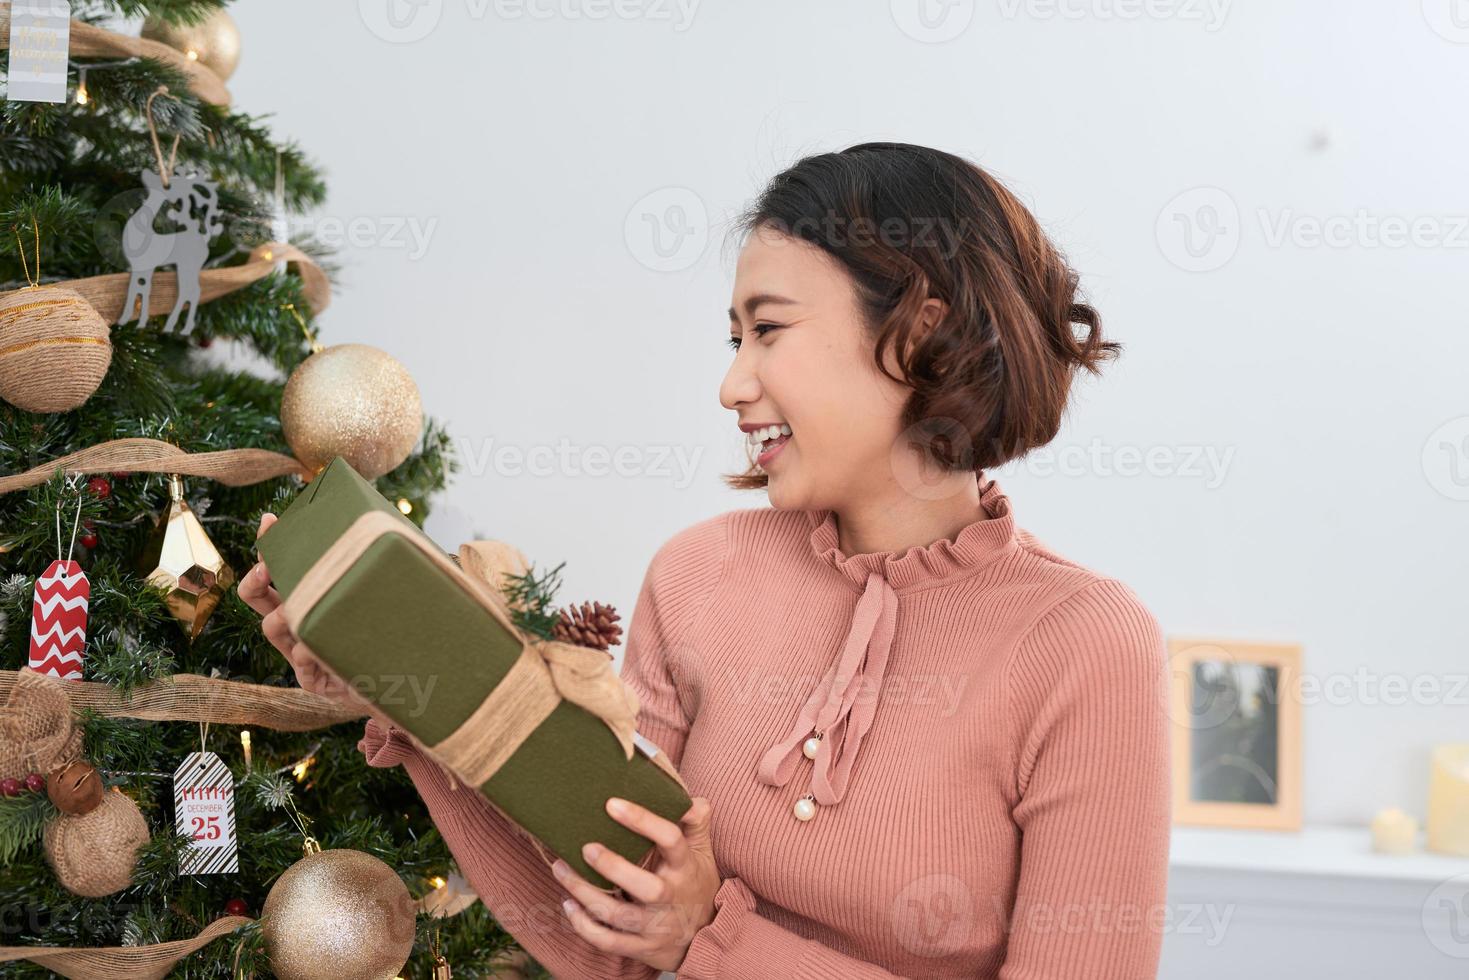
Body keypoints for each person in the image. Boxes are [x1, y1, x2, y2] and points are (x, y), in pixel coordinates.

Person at [241, 142, 1171, 979]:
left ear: (919, 331)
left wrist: (716, 945)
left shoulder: (1084, 646)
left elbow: (688, 945)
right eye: (734, 338)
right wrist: (402, 689)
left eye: (768, 330)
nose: (732, 384)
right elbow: (605, 941)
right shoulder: (698, 576)